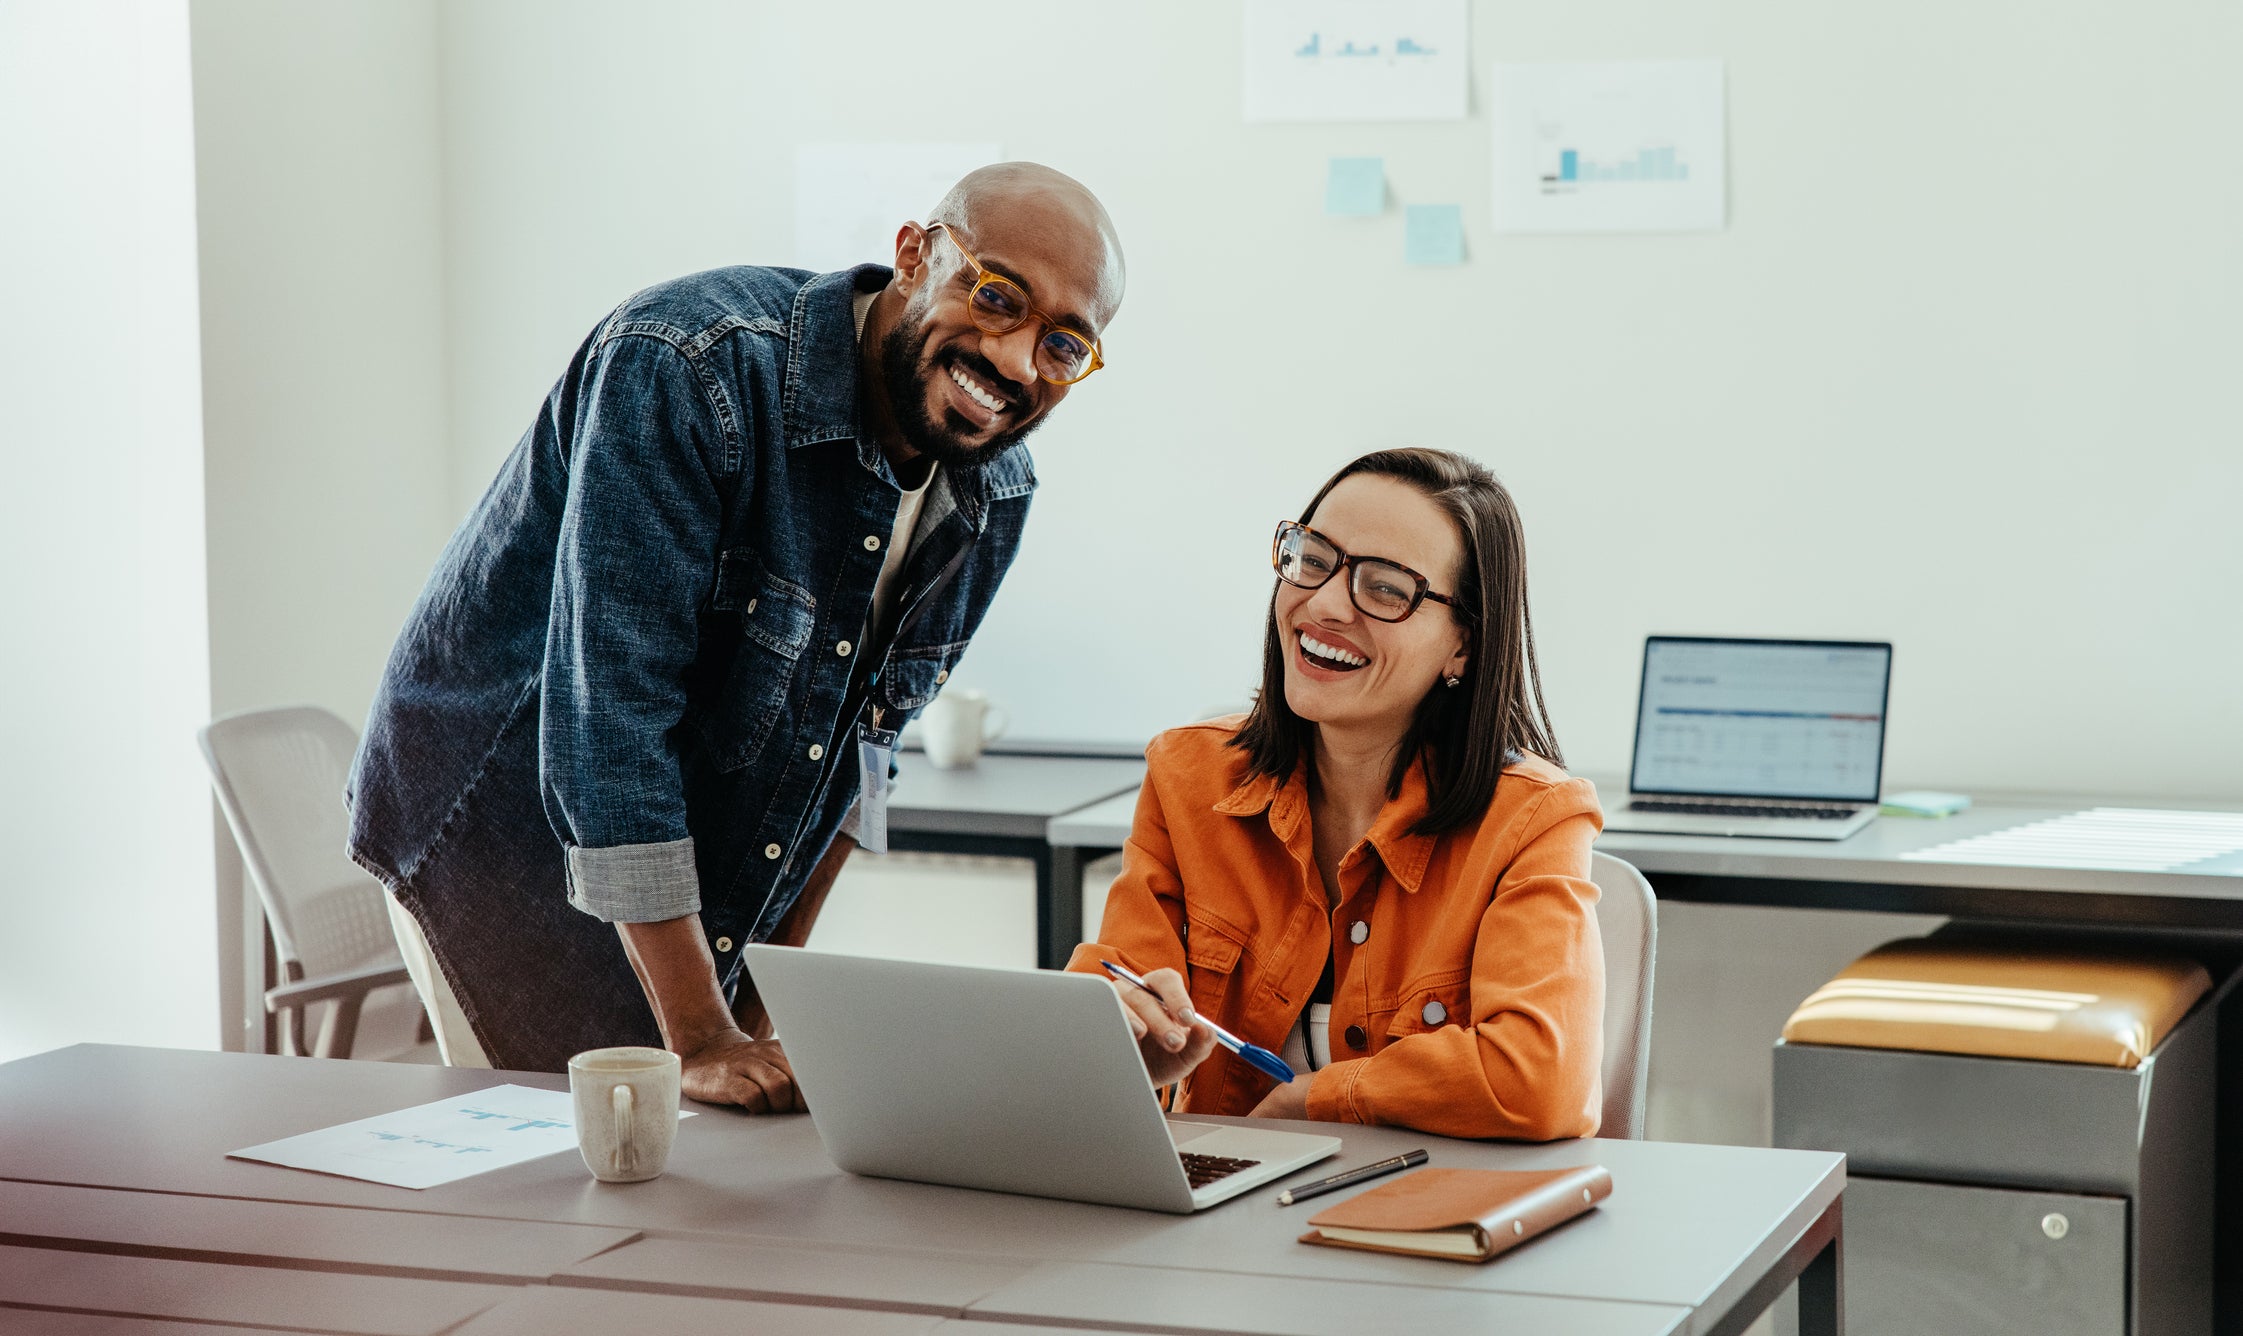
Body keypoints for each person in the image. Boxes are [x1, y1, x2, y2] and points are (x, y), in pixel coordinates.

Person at [347, 163, 1126, 1108]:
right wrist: (700, 1029)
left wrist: (756, 1007)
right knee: (565, 1175)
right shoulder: (687, 363)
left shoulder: (993, 495)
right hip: (495, 829)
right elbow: (610, 726)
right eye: (995, 295)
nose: (1012, 360)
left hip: (674, 847)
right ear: (913, 255)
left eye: (1061, 345)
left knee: (702, 1148)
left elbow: (859, 760)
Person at [1067, 448, 1604, 1140]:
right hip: (1218, 1215)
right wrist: (1123, 1040)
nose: (1321, 605)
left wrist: (1315, 1098)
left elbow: (1539, 1083)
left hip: (1419, 1220)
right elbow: (1109, 1003)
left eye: (1384, 589)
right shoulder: (1187, 775)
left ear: (1462, 647)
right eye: (1312, 558)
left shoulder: (1533, 819)